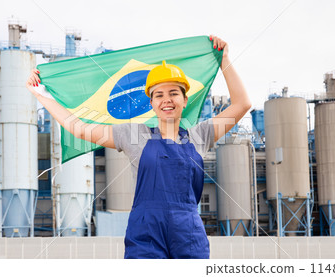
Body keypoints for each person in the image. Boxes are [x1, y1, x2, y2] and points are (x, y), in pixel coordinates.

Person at [26, 35, 251, 259]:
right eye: (159, 95)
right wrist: (42, 95)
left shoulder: (200, 135)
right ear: (151, 104)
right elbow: (80, 129)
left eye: (174, 93)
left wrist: (225, 60)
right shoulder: (134, 135)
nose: (167, 100)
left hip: (188, 233)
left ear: (184, 100)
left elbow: (242, 104)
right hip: (146, 233)